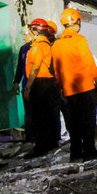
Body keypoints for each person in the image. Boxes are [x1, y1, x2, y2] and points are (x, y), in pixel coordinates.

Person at [52, 8, 97, 161]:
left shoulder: (56, 44)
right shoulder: (79, 40)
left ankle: (75, 153)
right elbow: (88, 62)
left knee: (74, 123)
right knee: (88, 121)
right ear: (77, 21)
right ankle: (89, 151)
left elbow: (56, 69)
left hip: (69, 90)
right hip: (85, 87)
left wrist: (61, 87)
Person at [23, 18, 58, 157]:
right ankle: (50, 143)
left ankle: (41, 147)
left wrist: (28, 86)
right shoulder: (47, 45)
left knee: (38, 117)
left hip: (40, 84)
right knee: (47, 115)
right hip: (48, 84)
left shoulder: (38, 47)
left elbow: (35, 67)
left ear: (36, 31)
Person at [12, 28, 33, 140]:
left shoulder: (38, 47)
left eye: (27, 34)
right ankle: (30, 137)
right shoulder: (23, 48)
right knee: (28, 113)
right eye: (24, 35)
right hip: (25, 85)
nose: (25, 37)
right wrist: (16, 82)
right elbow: (20, 67)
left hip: (37, 85)